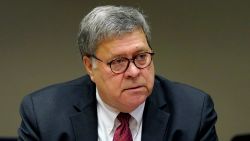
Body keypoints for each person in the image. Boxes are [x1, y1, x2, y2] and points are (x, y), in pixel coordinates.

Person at [18, 5, 218, 141]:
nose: (133, 71)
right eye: (118, 61)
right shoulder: (44, 115)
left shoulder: (193, 113)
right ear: (90, 66)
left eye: (141, 56)